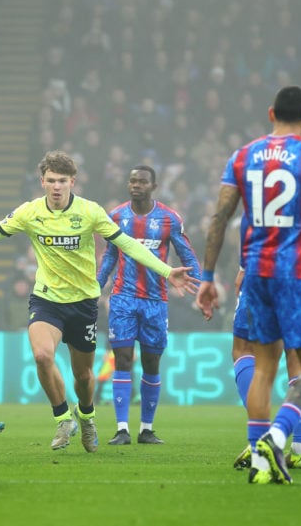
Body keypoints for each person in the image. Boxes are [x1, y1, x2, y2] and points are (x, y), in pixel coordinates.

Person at [0, 151, 197, 453]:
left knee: (83, 376)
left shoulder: (90, 211)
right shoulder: (29, 212)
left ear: (73, 182)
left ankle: (87, 416)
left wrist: (166, 270)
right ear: (42, 181)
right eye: (51, 180)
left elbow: (128, 244)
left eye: (62, 181)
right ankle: (63, 418)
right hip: (47, 299)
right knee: (42, 355)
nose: (56, 187)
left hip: (82, 303)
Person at [196, 86, 301, 485]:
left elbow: (219, 218)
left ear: (270, 113)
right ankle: (278, 436)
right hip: (297, 273)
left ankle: (262, 466)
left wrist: (208, 276)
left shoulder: (242, 156)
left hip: (256, 273)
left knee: (263, 367)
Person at [96, 165, 200, 445]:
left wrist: (202, 289)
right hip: (123, 298)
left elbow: (187, 255)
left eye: (142, 181)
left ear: (154, 186)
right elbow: (109, 256)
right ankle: (121, 429)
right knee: (123, 359)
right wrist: (97, 285)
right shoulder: (116, 216)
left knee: (152, 363)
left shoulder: (169, 218)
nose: (135, 185)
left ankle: (146, 429)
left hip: (156, 300)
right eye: (132, 181)